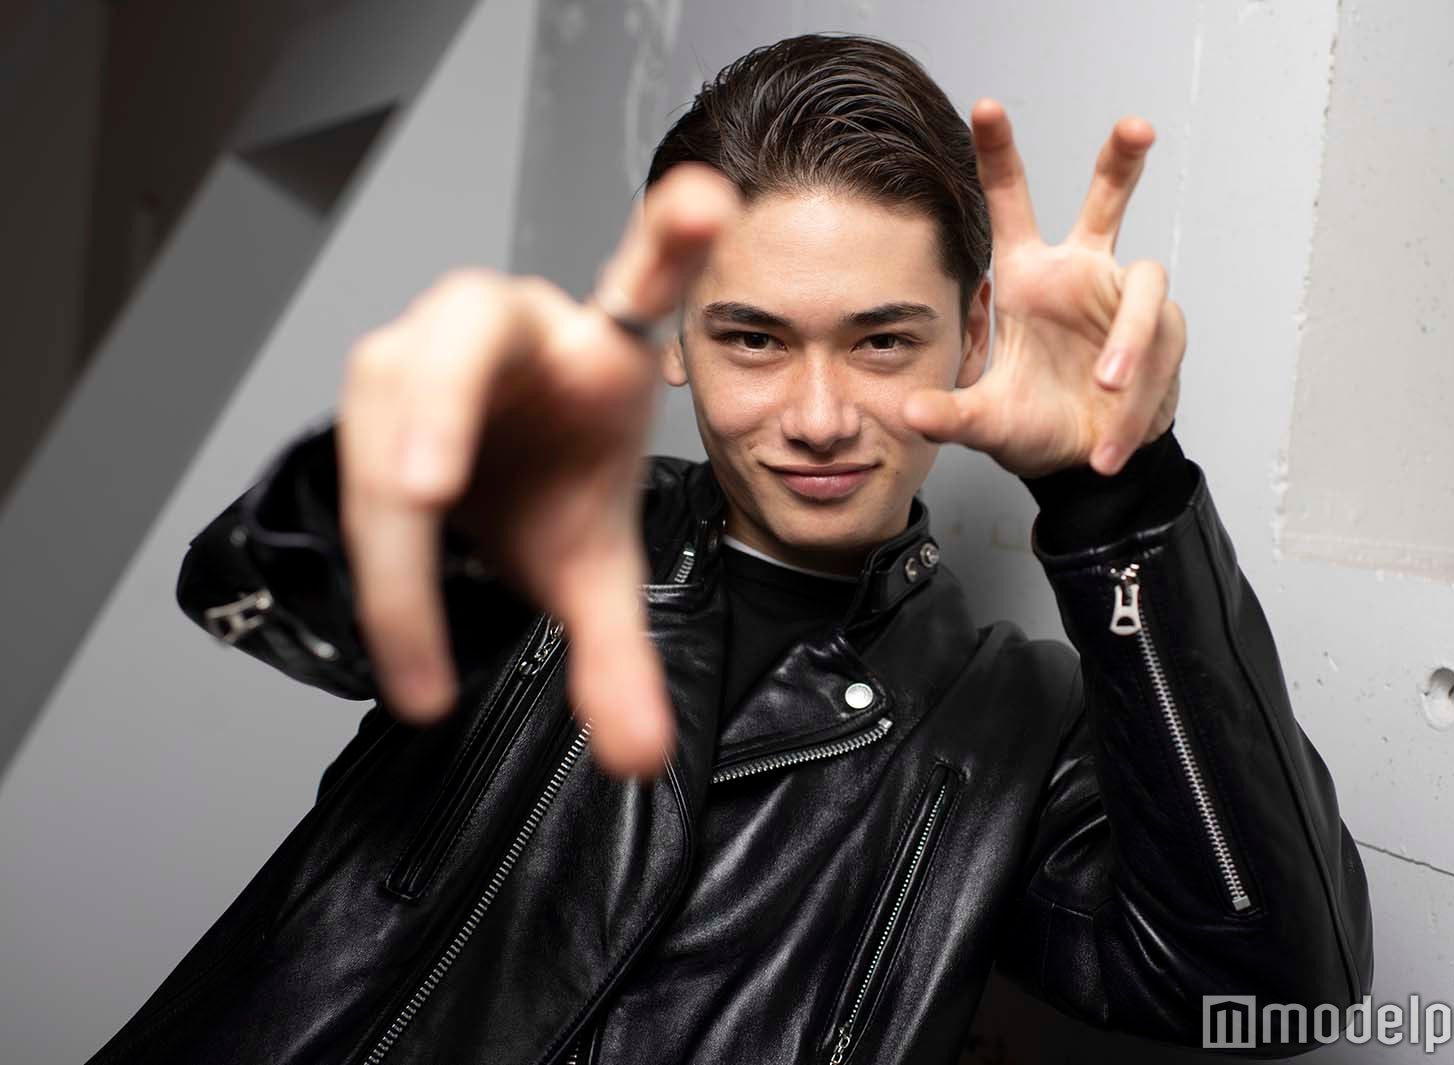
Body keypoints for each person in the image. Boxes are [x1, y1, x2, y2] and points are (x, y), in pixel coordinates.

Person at [88, 32, 1373, 1065]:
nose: (818, 418)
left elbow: (1265, 990)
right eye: (753, 339)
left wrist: (1118, 496)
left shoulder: (1021, 727)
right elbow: (243, 590)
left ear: (974, 332)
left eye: (882, 340)